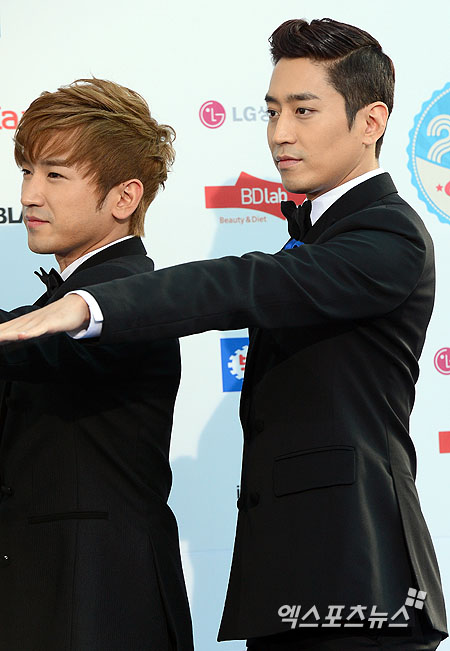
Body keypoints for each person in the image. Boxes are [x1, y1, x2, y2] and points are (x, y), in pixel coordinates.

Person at [0, 18, 447, 651]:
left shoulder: (389, 234)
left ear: (371, 121)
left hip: (360, 579)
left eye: (303, 110)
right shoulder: (317, 238)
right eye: (271, 111)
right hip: (299, 581)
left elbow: (241, 284)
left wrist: (88, 307)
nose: (280, 133)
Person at [0, 78, 193, 651]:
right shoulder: (57, 300)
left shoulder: (125, 300)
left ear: (124, 198)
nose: (29, 195)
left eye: (55, 175)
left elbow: (37, 345)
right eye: (27, 171)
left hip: (100, 606)